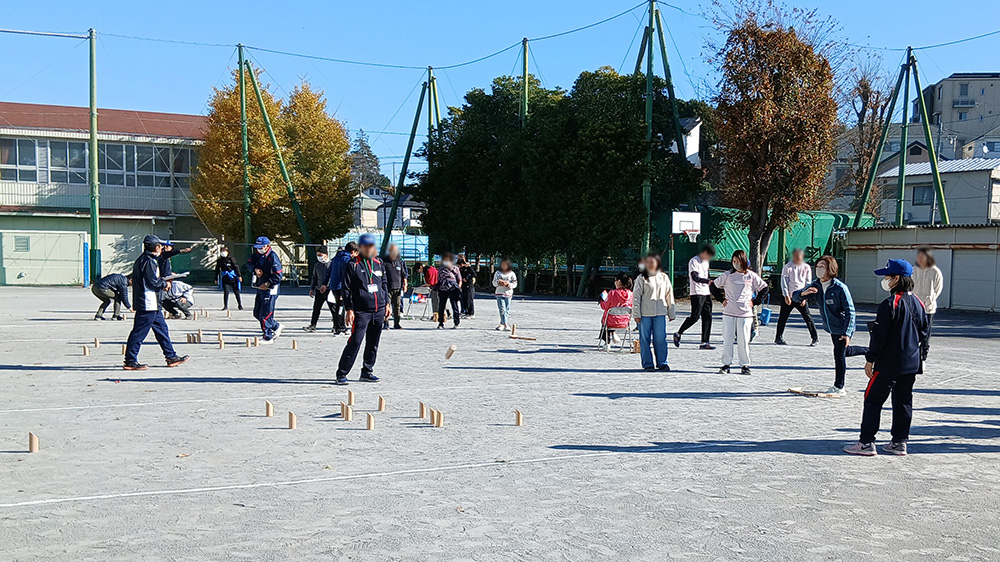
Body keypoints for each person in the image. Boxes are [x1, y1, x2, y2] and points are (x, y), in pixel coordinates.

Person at [844, 259, 928, 457]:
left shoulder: (890, 304)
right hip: (911, 363)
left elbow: (879, 337)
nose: (885, 280)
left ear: (897, 278)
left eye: (888, 276)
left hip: (889, 363)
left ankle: (866, 442)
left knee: (873, 400)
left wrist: (870, 358)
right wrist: (922, 356)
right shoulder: (919, 302)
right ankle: (899, 442)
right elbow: (925, 333)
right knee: (903, 401)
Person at [123, 235, 189, 370]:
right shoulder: (147, 261)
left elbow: (163, 258)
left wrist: (177, 252)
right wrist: (164, 284)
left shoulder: (148, 259)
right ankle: (130, 360)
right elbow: (152, 282)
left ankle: (171, 356)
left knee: (162, 330)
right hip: (147, 302)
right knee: (139, 332)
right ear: (157, 247)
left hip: (153, 303)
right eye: (161, 246)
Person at [794, 256, 857, 396]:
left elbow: (850, 311)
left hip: (843, 326)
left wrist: (847, 333)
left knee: (839, 355)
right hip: (831, 327)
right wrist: (803, 293)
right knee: (844, 352)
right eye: (817, 266)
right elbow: (795, 297)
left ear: (830, 269)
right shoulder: (815, 285)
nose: (819, 269)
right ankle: (871, 352)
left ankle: (839, 386)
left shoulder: (840, 288)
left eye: (822, 267)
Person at [334, 233, 390, 385]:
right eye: (367, 247)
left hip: (378, 310)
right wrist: (349, 309)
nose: (371, 249)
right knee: (355, 341)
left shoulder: (379, 263)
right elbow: (346, 289)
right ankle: (342, 373)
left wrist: (387, 303)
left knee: (373, 342)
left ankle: (367, 370)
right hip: (361, 310)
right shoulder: (352, 265)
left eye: (373, 246)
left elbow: (384, 284)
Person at [710, 250, 768, 375]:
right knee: (727, 339)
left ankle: (745, 365)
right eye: (733, 261)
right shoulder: (727, 275)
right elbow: (713, 286)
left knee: (743, 340)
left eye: (738, 261)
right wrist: (721, 299)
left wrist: (756, 301)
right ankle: (726, 364)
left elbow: (764, 288)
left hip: (745, 314)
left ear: (743, 261)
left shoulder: (751, 276)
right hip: (729, 312)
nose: (735, 263)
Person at [631, 254, 676, 371]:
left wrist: (671, 312)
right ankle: (647, 363)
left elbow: (669, 295)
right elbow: (636, 297)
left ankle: (662, 363)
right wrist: (636, 314)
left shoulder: (664, 277)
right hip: (644, 314)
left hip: (660, 313)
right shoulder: (641, 279)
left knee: (660, 339)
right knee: (644, 339)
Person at [673, 244, 716, 350]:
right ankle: (678, 333)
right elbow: (695, 277)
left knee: (708, 317)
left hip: (706, 292)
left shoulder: (706, 262)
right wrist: (707, 281)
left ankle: (705, 342)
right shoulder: (694, 261)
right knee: (695, 317)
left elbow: (707, 275)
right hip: (697, 292)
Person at [775, 248, 819, 346]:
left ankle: (814, 338)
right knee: (783, 317)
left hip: (801, 295)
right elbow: (784, 282)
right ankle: (778, 337)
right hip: (789, 296)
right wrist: (786, 295)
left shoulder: (806, 267)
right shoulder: (787, 267)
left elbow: (808, 283)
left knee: (807, 317)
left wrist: (805, 297)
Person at [248, 236, 284, 344]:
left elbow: (278, 275)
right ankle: (276, 325)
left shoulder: (273, 257)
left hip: (270, 288)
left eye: (261, 247)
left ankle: (267, 336)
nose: (259, 249)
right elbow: (248, 263)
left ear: (267, 246)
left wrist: (267, 284)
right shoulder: (257, 255)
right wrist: (255, 269)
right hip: (260, 286)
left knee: (265, 313)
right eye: (258, 247)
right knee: (257, 312)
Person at [912, 247, 943, 359]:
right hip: (914, 309)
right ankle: (912, 355)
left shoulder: (935, 272)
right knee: (913, 333)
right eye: (918, 256)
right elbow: (910, 287)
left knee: (925, 333)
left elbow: (937, 289)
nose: (920, 259)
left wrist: (930, 299)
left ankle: (923, 356)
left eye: (922, 256)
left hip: (928, 309)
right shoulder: (913, 270)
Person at [323, 242, 358, 335]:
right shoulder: (347, 260)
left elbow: (328, 272)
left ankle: (337, 326)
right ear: (353, 252)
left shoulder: (335, 258)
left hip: (334, 286)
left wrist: (324, 283)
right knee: (341, 307)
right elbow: (345, 275)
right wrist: (344, 289)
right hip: (341, 286)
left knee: (339, 306)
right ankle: (340, 327)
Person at [304, 247, 336, 332]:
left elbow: (333, 277)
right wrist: (312, 289)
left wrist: (327, 286)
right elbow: (314, 278)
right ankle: (313, 325)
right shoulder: (317, 265)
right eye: (317, 255)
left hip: (329, 290)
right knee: (316, 308)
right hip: (319, 290)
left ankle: (336, 325)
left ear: (326, 255)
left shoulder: (331, 264)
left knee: (333, 309)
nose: (319, 257)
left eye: (321, 255)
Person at [599, 272, 634, 351]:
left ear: (619, 281)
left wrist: (602, 300)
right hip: (625, 322)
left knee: (606, 317)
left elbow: (605, 306)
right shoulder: (631, 294)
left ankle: (607, 343)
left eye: (615, 280)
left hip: (610, 321)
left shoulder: (612, 292)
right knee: (609, 316)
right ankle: (613, 333)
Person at [383, 244, 409, 329]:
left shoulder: (400, 261)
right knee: (386, 305)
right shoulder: (384, 262)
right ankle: (386, 323)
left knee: (397, 307)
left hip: (398, 288)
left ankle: (397, 323)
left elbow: (404, 274)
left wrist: (405, 284)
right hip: (387, 288)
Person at [435, 252, 462, 329]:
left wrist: (458, 289)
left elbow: (459, 279)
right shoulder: (441, 269)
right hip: (443, 289)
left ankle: (456, 323)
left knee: (454, 305)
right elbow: (439, 279)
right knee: (441, 306)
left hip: (453, 289)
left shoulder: (455, 268)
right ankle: (440, 323)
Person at [492, 258, 517, 330]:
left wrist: (509, 284)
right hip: (500, 293)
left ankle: (502, 323)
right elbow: (494, 282)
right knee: (502, 309)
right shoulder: (498, 273)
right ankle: (505, 324)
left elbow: (515, 283)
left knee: (507, 309)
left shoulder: (512, 273)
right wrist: (499, 283)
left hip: (508, 293)